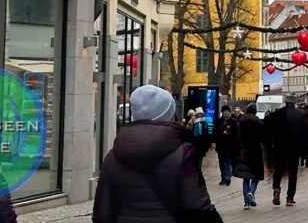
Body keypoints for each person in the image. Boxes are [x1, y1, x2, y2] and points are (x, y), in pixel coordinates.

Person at [93, 84, 222, 223]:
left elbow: (102, 213)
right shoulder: (183, 153)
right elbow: (198, 206)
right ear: (169, 115)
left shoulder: (113, 157)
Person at [266, 98, 308, 207]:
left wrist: (269, 148)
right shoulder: (301, 115)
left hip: (280, 146)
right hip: (295, 147)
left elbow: (268, 131)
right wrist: (305, 150)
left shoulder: (277, 113)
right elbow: (307, 133)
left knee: (278, 169)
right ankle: (290, 197)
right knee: (293, 172)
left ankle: (276, 188)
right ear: (294, 103)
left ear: (285, 103)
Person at [233, 104, 266, 210]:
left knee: (246, 178)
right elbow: (263, 138)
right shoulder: (259, 124)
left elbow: (237, 136)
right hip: (256, 152)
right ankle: (251, 192)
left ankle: (246, 203)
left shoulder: (240, 123)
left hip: (244, 151)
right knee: (256, 176)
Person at [213, 105, 239, 186]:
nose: (226, 112)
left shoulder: (234, 122)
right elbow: (215, 133)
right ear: (222, 112)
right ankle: (223, 177)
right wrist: (213, 142)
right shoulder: (218, 121)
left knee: (228, 162)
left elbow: (236, 134)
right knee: (221, 163)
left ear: (230, 112)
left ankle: (227, 177)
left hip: (230, 146)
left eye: (227, 111)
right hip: (220, 146)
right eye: (224, 111)